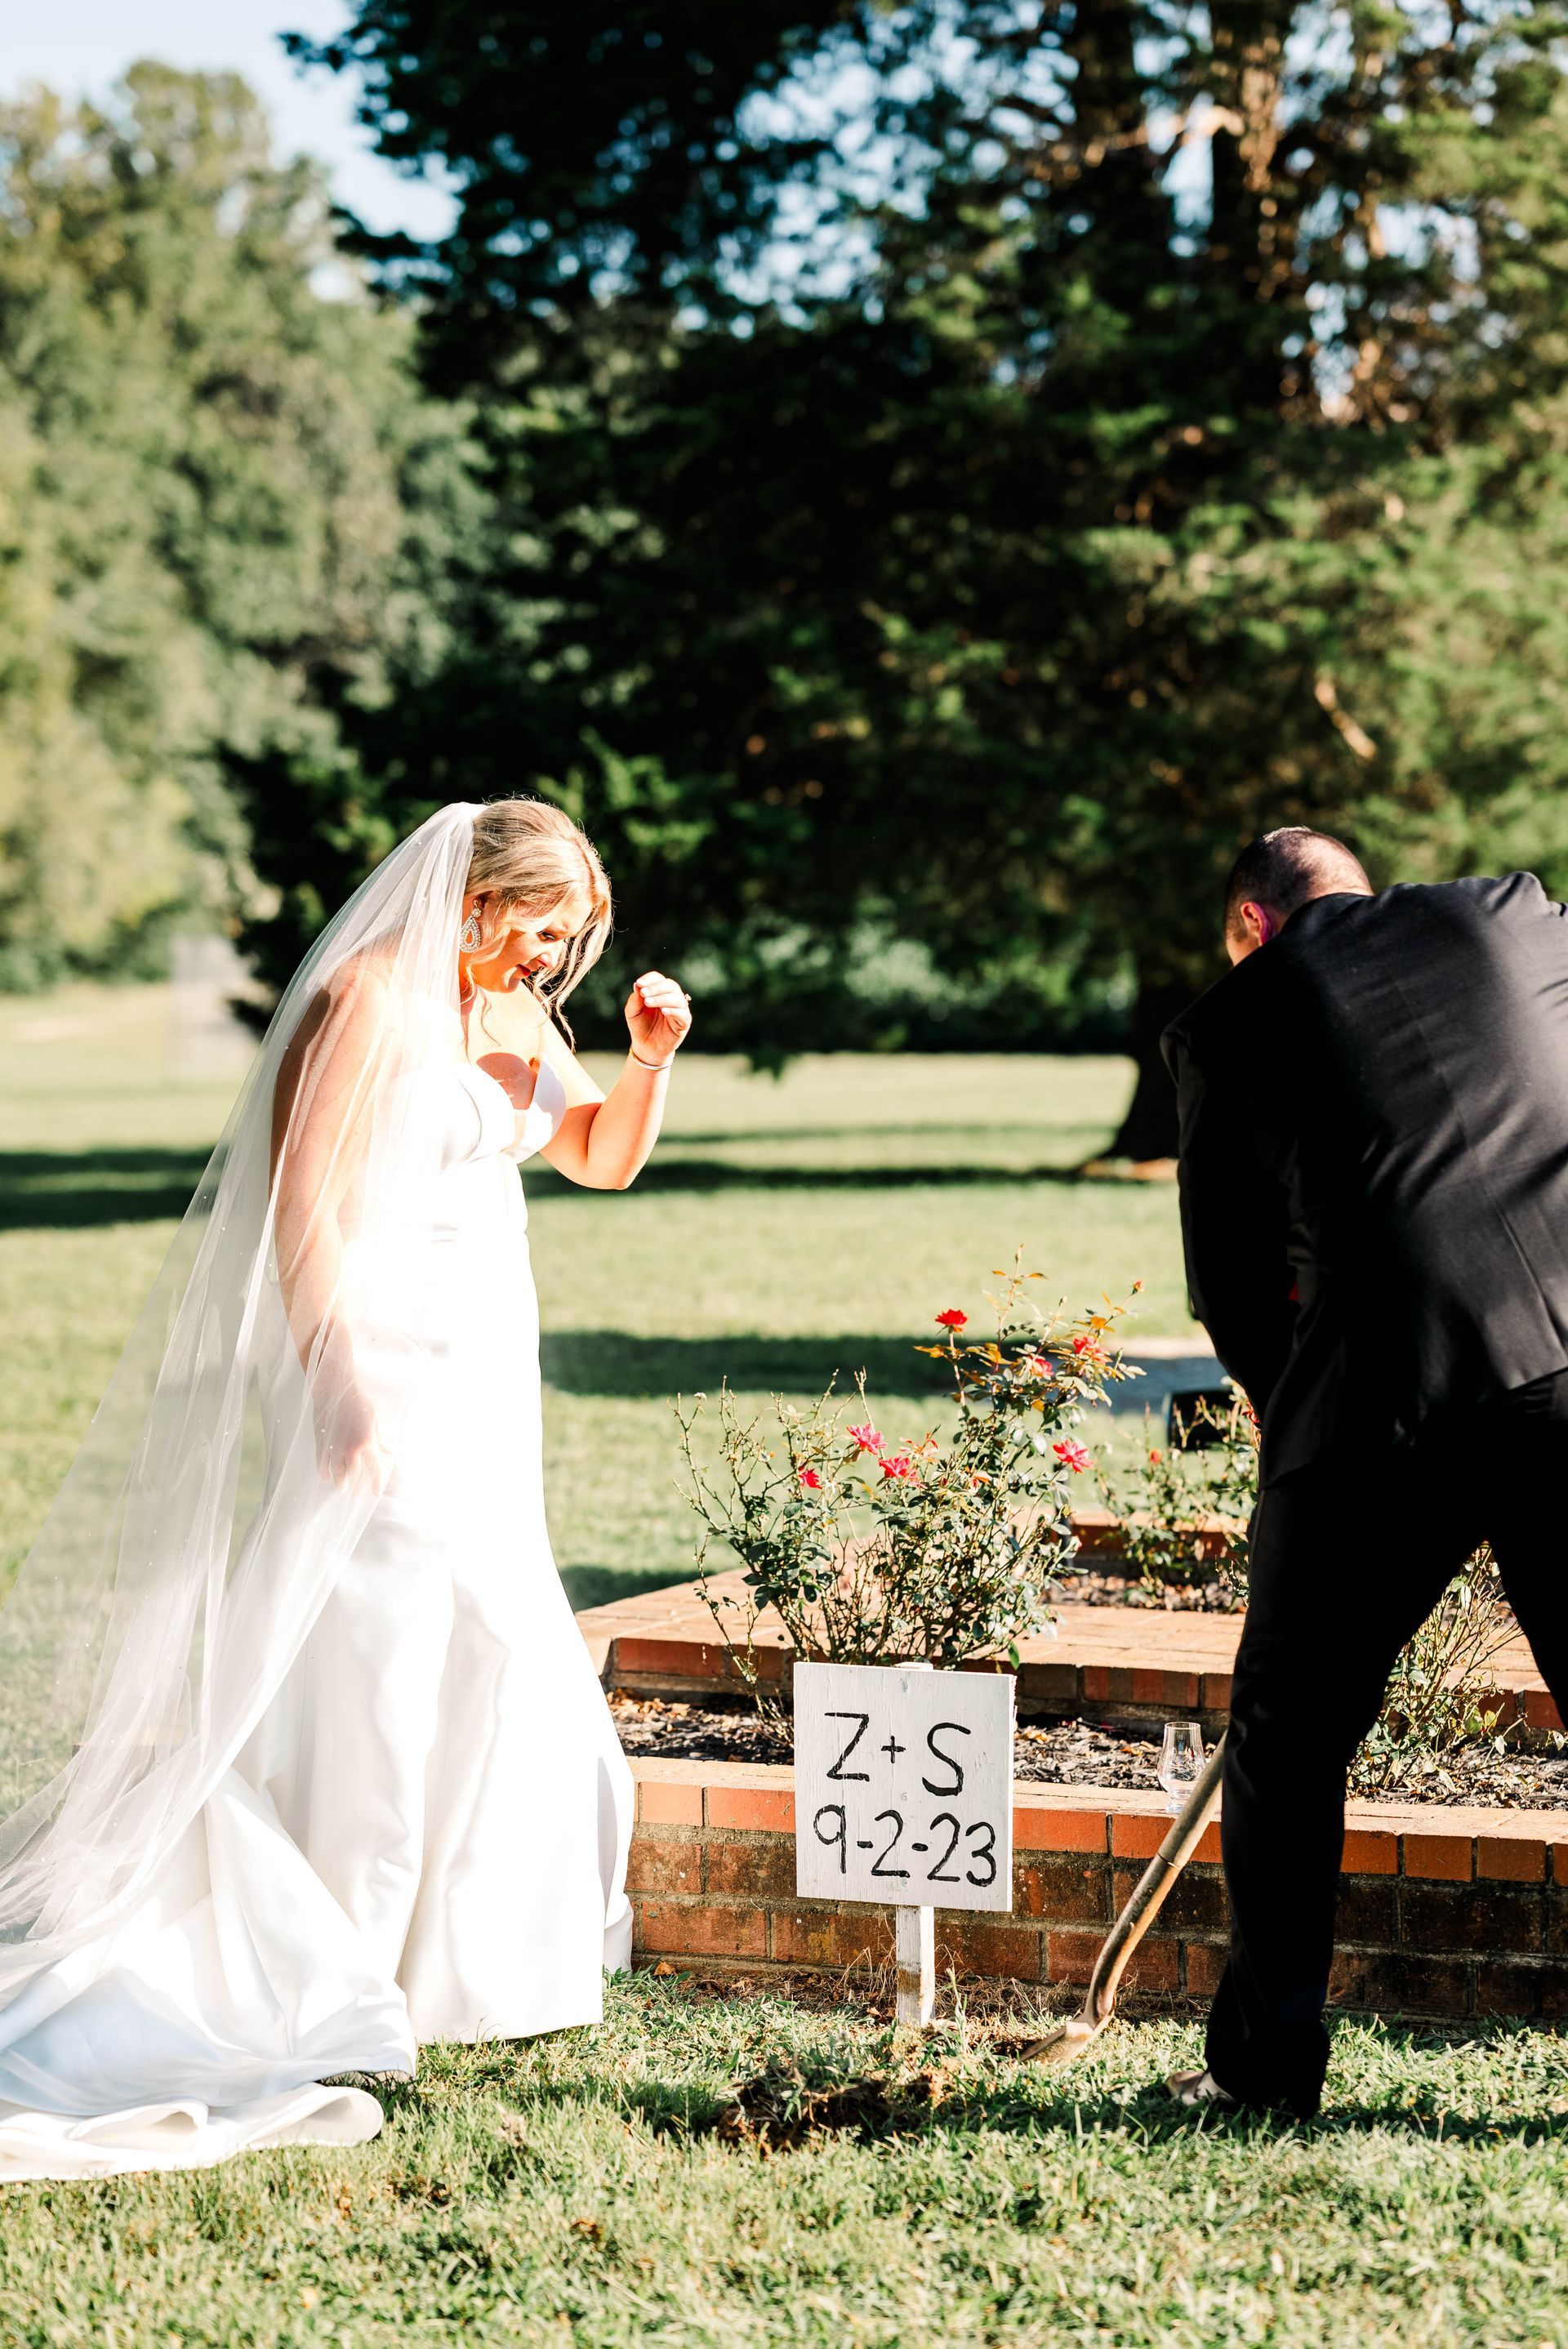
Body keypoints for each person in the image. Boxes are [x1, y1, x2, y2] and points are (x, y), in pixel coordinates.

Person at [0, 798, 691, 2181]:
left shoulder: (516, 1016)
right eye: (542, 930)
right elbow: (299, 1205)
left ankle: (470, 1970)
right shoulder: (367, 998)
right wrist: (337, 1384)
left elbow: (600, 1157)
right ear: (483, 898)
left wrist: (648, 1061)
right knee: (374, 1650)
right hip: (374, 1359)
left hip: (485, 1372)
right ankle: (332, 1951)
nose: (552, 960)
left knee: (496, 1645)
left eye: (569, 941)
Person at [1160, 827, 1568, 2119]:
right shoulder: (1515, 915)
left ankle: (1269, 2072)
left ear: (1251, 927)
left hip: (1386, 1402)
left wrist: (1300, 1420)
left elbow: (1230, 1287)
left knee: (1288, 1735)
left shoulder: (1232, 1019)